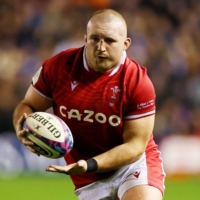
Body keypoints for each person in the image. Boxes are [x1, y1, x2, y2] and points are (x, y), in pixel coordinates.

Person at [13, 9, 165, 200]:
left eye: (109, 41)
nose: (101, 47)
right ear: (85, 38)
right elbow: (29, 105)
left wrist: (90, 163)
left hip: (132, 165)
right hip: (87, 178)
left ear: (126, 44)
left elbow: (135, 146)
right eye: (95, 39)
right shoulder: (58, 67)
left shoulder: (138, 82)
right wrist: (22, 126)